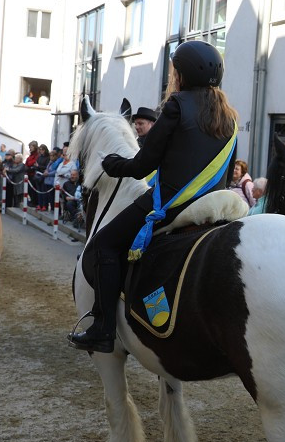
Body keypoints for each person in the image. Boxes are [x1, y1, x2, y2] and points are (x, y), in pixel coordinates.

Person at [68, 40, 235, 353]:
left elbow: (143, 164)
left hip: (171, 206)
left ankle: (103, 328)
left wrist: (111, 164)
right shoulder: (230, 119)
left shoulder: (176, 105)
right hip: (213, 206)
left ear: (181, 74)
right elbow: (223, 173)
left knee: (104, 243)